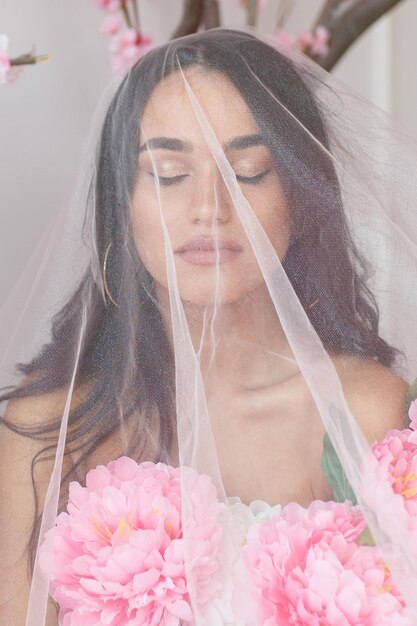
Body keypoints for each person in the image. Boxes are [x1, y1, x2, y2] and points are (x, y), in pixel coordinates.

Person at [1, 27, 417, 625]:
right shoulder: (42, 435)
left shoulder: (367, 411)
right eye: (169, 174)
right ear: (121, 206)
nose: (210, 208)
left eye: (248, 172)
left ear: (300, 197)